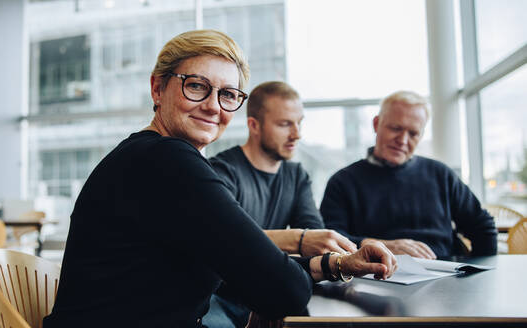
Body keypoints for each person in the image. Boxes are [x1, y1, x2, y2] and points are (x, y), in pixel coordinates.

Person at [43, 30, 397, 328]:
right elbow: (283, 290)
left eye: (227, 94)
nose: (214, 106)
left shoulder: (148, 158)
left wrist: (338, 264)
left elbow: (244, 264)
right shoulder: (167, 160)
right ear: (157, 89)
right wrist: (301, 268)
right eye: (196, 86)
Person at [205, 81, 356, 327]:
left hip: (272, 290)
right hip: (221, 297)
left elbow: (314, 239)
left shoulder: (296, 175)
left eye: (299, 123)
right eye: (285, 124)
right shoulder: (221, 172)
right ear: (254, 125)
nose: (296, 134)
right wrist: (298, 240)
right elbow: (223, 242)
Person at [320, 90, 497, 260]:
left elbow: (482, 227)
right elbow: (329, 241)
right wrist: (379, 246)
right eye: (396, 128)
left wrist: (478, 274)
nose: (403, 140)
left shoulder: (441, 175)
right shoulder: (343, 182)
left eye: (413, 133)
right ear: (376, 124)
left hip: (444, 274)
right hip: (376, 276)